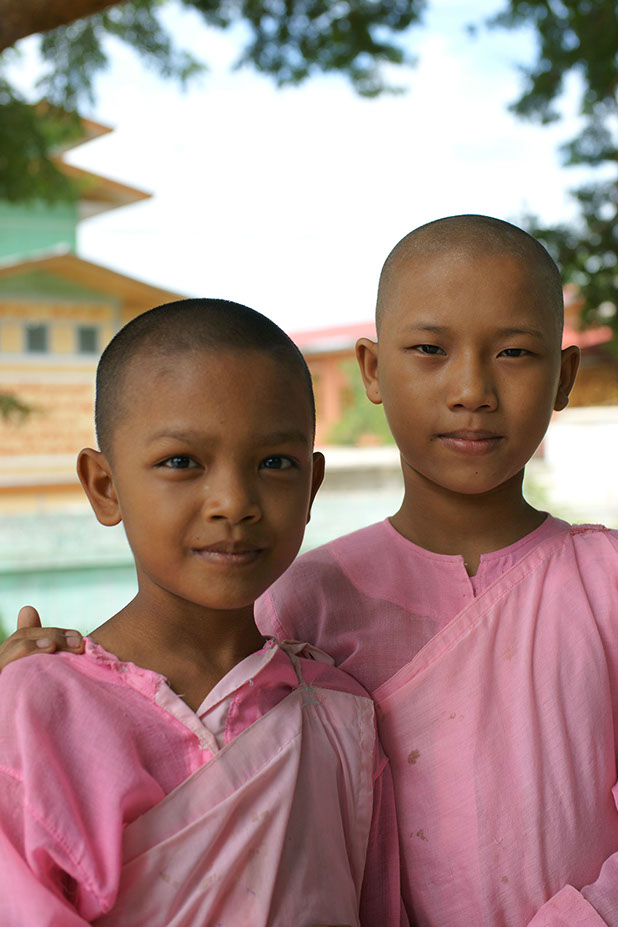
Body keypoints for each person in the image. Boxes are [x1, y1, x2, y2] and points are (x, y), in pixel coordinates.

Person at [6, 214, 618, 925]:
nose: (471, 389)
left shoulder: (599, 580)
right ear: (372, 371)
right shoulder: (304, 602)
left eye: (513, 352)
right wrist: (37, 684)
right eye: (429, 348)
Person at [0, 298, 405, 927]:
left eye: (275, 463)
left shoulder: (339, 713)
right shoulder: (40, 708)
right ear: (105, 487)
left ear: (311, 487)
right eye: (181, 462)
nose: (234, 502)